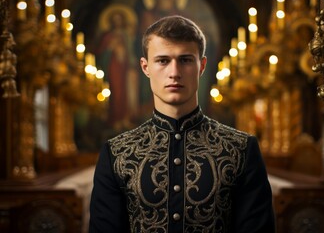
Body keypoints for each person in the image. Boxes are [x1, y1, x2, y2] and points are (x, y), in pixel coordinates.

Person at [89, 15, 276, 233]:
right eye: (163, 61)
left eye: (185, 60)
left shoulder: (241, 149)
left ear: (202, 66)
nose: (174, 73)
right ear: (145, 67)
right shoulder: (116, 153)